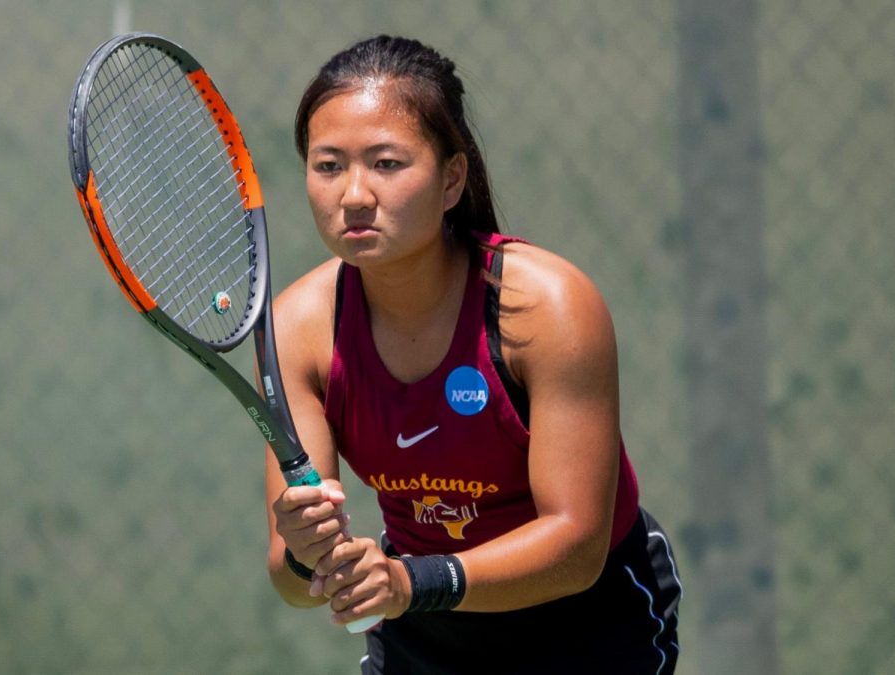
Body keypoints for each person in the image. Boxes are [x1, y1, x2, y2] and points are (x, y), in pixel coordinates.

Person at [264, 34, 681, 674]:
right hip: (422, 633)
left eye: (386, 163)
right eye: (328, 166)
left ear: (452, 177)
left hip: (588, 629)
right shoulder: (297, 327)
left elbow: (576, 543)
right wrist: (304, 553)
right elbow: (292, 582)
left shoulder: (549, 308)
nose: (353, 195)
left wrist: (412, 583)